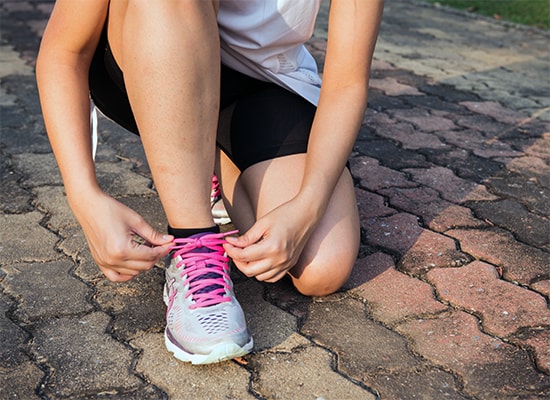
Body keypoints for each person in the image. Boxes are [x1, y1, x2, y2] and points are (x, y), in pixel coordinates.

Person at [36, 0, 384, 364]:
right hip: (149, 47)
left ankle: (205, 159)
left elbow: (347, 82)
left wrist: (307, 206)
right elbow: (64, 52)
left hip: (263, 81)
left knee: (320, 267)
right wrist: (84, 195)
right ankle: (194, 245)